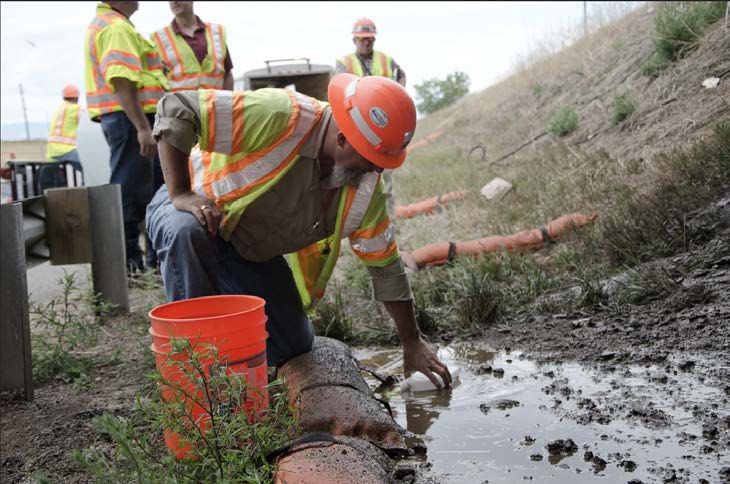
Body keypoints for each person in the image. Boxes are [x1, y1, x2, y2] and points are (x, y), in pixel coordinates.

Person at [146, 73, 452, 388]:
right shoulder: (281, 114)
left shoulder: (364, 187)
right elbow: (176, 107)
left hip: (247, 250)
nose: (377, 169)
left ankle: (233, 341)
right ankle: (197, 373)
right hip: (189, 211)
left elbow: (386, 268)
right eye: (372, 158)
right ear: (343, 138)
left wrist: (412, 342)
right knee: (187, 231)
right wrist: (181, 192)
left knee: (294, 347)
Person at [84, 1, 169, 273]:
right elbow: (122, 80)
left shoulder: (114, 24)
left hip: (129, 119)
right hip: (130, 119)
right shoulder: (116, 28)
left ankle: (151, 261)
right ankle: (130, 264)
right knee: (130, 190)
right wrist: (143, 128)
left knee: (151, 187)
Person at [335, 17, 406, 222]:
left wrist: (398, 94)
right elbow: (340, 89)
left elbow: (401, 75)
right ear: (354, 40)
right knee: (354, 177)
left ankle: (388, 223)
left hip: (383, 128)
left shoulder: (386, 59)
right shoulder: (344, 63)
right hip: (356, 128)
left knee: (385, 178)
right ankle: (356, 224)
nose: (366, 42)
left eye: (370, 39)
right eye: (362, 39)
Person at [151, 1, 234, 92]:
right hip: (179, 105)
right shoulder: (159, 38)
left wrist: (227, 102)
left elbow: (227, 74)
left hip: (214, 104)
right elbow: (156, 78)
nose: (174, 2)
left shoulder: (216, 32)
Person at [41, 84, 84, 190]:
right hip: (66, 150)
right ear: (77, 97)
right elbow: (89, 120)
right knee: (89, 167)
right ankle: (85, 192)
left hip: (53, 151)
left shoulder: (61, 108)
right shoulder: (76, 109)